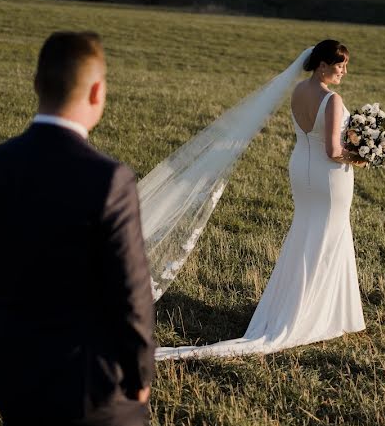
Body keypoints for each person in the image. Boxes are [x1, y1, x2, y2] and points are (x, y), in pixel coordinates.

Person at [0, 31, 155, 426]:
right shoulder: (109, 179)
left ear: (36, 83)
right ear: (98, 92)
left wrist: (1, 341)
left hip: (14, 372)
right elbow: (131, 292)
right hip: (90, 383)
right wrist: (139, 375)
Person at [155, 39, 366, 359]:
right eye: (340, 66)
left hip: (300, 169)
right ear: (322, 65)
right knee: (329, 235)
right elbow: (333, 151)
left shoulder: (298, 91)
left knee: (306, 233)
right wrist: (362, 155)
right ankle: (318, 312)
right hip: (328, 177)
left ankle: (301, 306)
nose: (344, 72)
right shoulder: (332, 100)